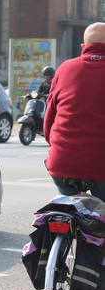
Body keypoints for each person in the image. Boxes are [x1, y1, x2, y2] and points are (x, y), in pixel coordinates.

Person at [44, 22, 105, 202]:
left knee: (69, 207)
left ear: (83, 47)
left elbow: (49, 120)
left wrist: (57, 146)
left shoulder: (64, 68)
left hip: (63, 162)